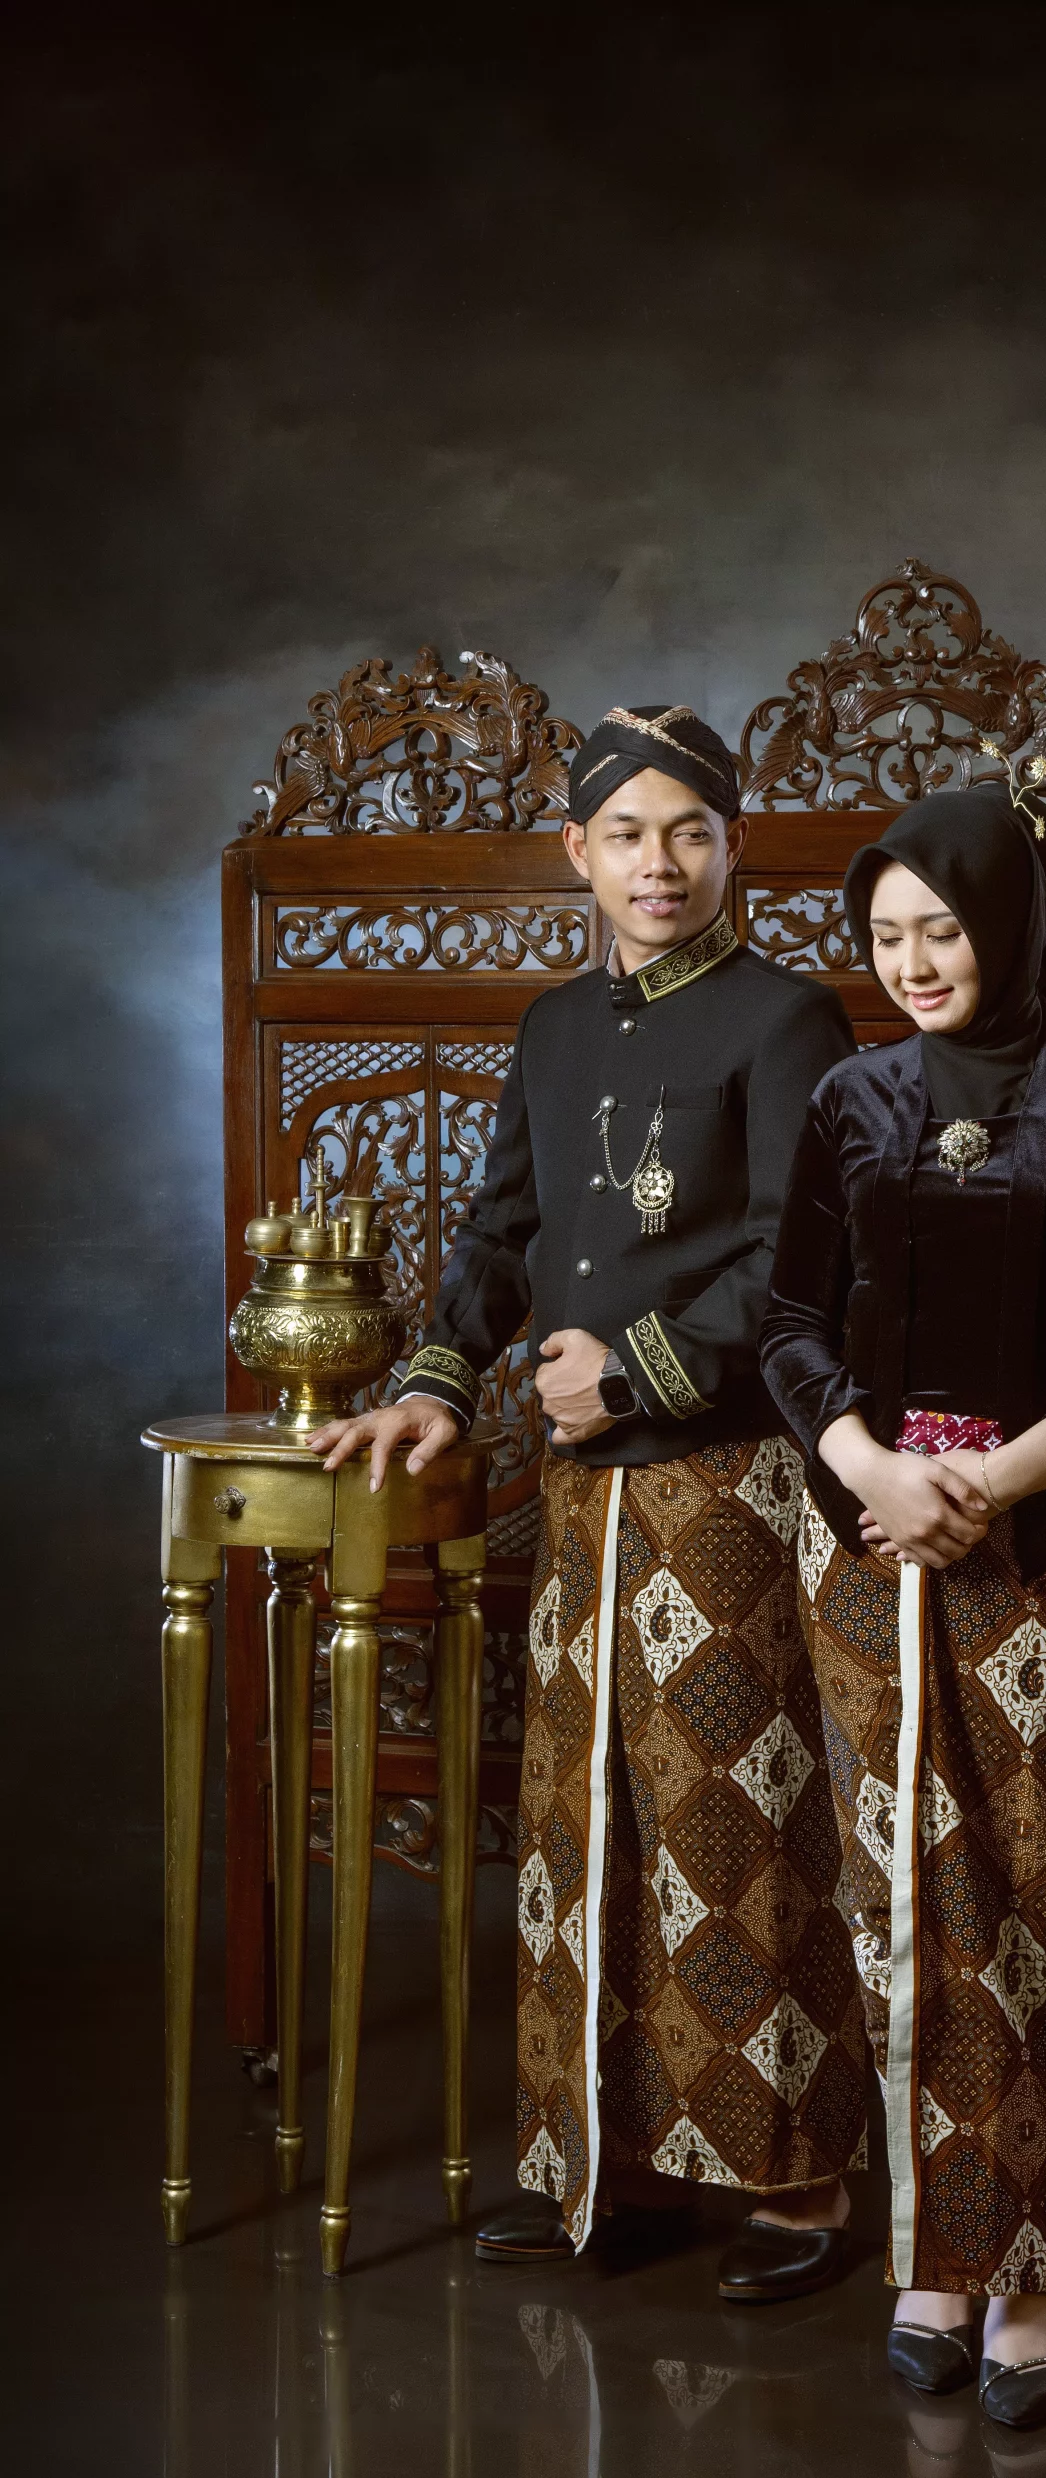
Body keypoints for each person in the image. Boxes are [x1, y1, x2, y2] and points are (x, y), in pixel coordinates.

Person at [311, 705, 867, 2305]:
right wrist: (433, 1384)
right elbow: (501, 1231)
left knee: (737, 1821)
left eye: (689, 831)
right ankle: (617, 2170)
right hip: (578, 1501)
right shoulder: (554, 1024)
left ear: (733, 845)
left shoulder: (790, 1018)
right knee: (588, 1824)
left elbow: (805, 1255)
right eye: (626, 834)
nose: (658, 863)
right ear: (578, 852)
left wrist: (630, 1373)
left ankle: (797, 2186)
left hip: (732, 1486)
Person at [760, 776, 1046, 2425]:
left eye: (941, 930)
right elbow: (790, 1320)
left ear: (1013, 924)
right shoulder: (854, 1097)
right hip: (867, 1549)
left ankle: (1020, 2275)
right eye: (885, 936)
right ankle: (926, 2264)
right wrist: (870, 1470)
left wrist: (995, 1478)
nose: (911, 964)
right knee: (894, 1904)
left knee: (1025, 1906)